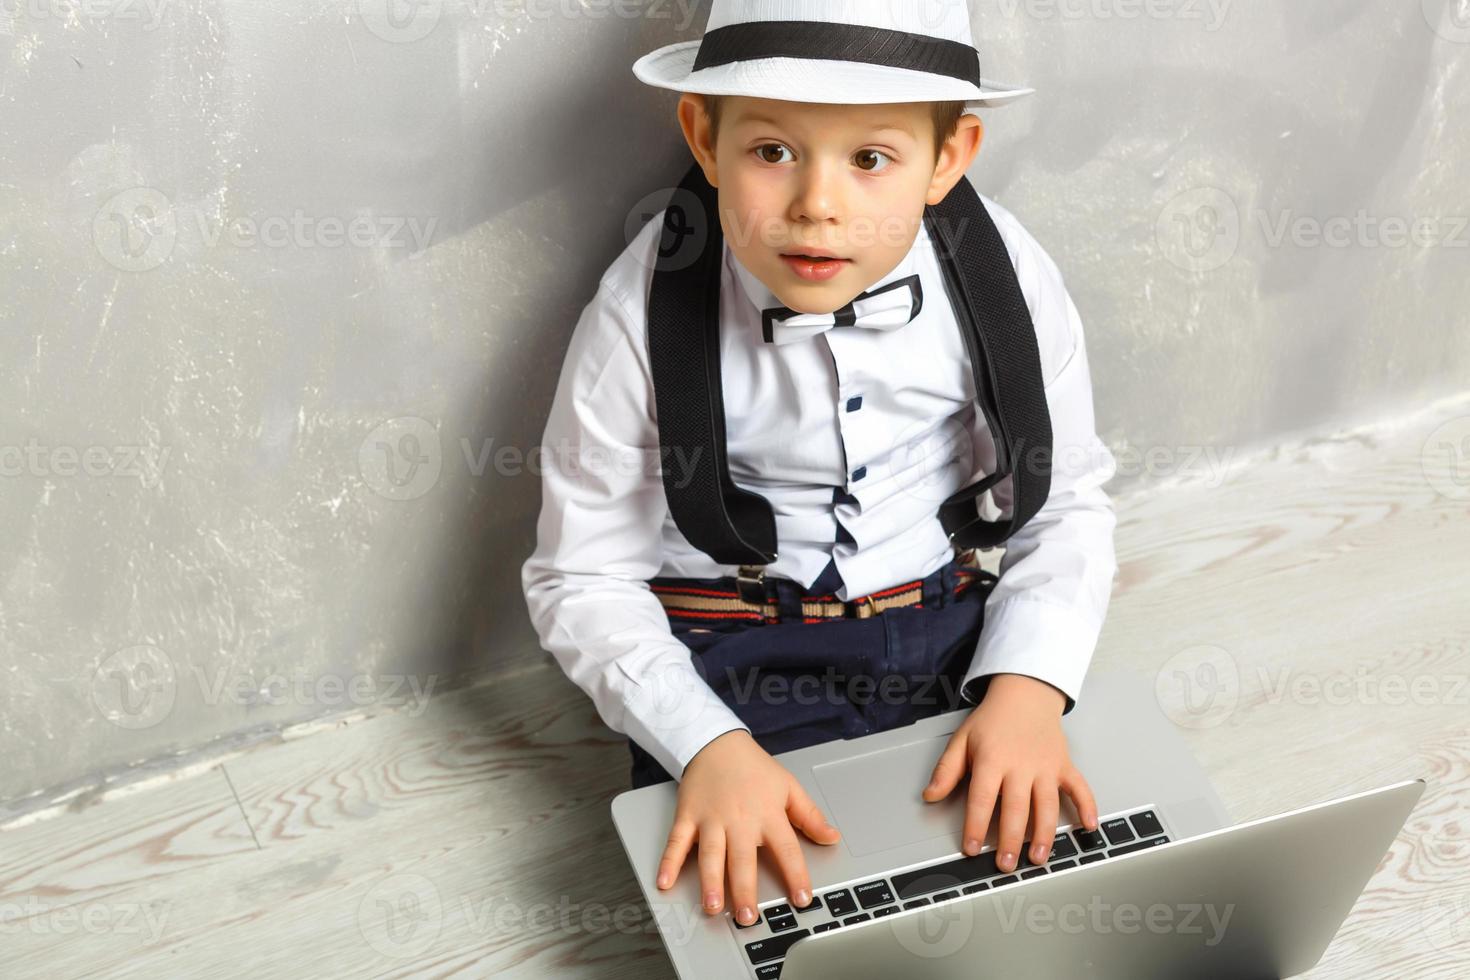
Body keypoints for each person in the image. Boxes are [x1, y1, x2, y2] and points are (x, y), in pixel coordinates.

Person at [521, 0, 1117, 932]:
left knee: (1064, 901)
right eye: (771, 152)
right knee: (779, 923)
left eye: (871, 159)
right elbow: (582, 574)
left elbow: (1068, 503)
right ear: (703, 137)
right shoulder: (641, 311)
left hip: (947, 625)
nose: (818, 206)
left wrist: (1029, 688)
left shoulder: (1006, 274)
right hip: (733, 658)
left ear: (949, 158)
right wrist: (709, 746)